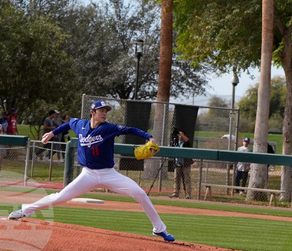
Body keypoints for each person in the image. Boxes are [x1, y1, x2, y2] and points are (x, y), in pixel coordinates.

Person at [9, 100, 175, 243]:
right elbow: (68, 124)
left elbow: (130, 129)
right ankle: (25, 210)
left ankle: (159, 229)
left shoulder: (109, 128)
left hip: (109, 174)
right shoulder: (80, 124)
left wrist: (149, 137)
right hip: (88, 174)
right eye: (101, 111)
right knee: (59, 197)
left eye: (106, 111)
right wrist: (52, 133)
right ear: (92, 112)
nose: (104, 113)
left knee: (140, 193)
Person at [170, 129, 193, 199]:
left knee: (187, 179)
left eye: (181, 134)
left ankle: (188, 194)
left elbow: (187, 141)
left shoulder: (185, 143)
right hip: (177, 164)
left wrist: (182, 134)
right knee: (176, 179)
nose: (180, 136)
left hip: (185, 164)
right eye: (179, 135)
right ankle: (176, 193)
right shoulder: (176, 142)